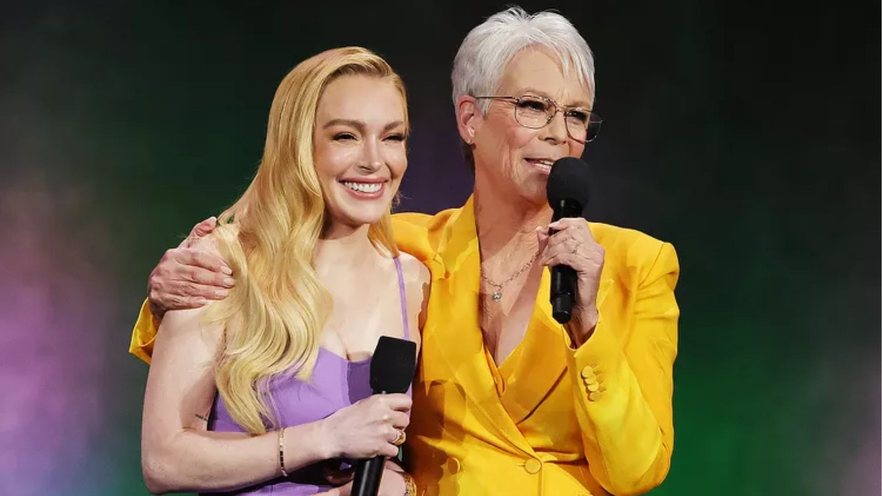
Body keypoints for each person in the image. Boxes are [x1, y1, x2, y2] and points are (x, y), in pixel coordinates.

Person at [133, 8, 679, 496]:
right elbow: (277, 250)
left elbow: (636, 471)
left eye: (577, 115)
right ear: (470, 119)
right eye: (534, 106)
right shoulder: (411, 249)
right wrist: (164, 292)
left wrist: (587, 324)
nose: (559, 133)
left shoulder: (637, 266)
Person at [138, 46, 428, 496]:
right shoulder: (220, 265)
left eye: (392, 137)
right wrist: (325, 437)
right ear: (297, 145)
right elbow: (164, 461)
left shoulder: (414, 280)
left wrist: (402, 485)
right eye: (346, 136)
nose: (375, 161)